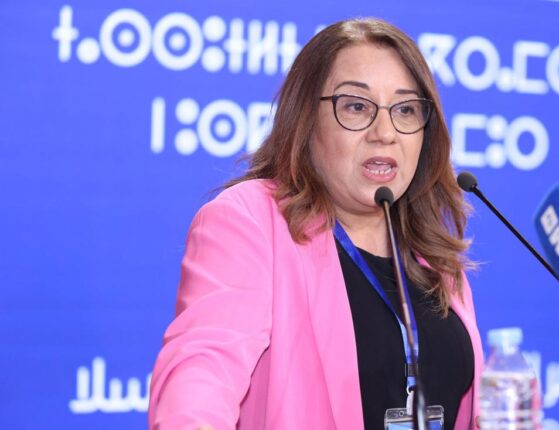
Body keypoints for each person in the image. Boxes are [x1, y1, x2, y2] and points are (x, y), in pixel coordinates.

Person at [148, 17, 483, 430]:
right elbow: (203, 367)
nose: (385, 132)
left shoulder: (432, 255)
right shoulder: (251, 221)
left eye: (406, 109)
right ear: (306, 119)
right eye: (357, 106)